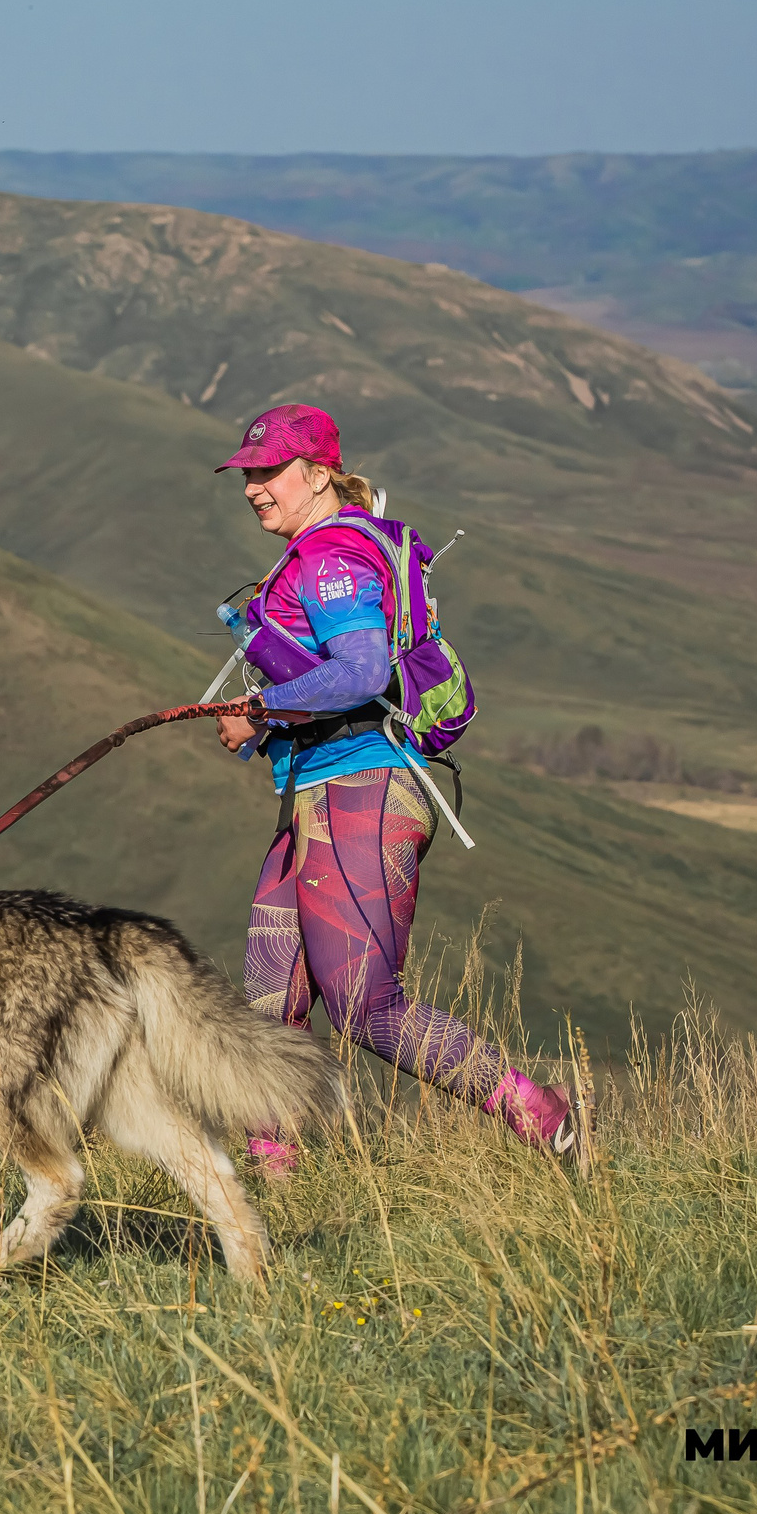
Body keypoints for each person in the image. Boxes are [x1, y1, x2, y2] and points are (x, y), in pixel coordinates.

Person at [212, 403, 578, 1169]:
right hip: (321, 788)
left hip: (362, 789)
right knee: (270, 1000)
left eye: (268, 471)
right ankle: (273, 1185)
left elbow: (362, 671)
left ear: (317, 474)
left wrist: (261, 707)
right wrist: (266, 723)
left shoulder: (329, 557)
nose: (252, 487)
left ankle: (542, 1115)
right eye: (247, 473)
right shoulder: (322, 550)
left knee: (365, 1007)